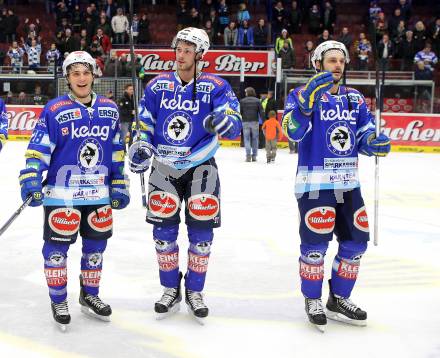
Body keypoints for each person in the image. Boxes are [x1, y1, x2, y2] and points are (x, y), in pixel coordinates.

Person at [128, 28, 242, 322]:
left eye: (188, 50)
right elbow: (145, 123)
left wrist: (225, 121)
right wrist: (140, 145)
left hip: (202, 166)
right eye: (178, 49)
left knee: (201, 237)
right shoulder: (157, 86)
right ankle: (170, 289)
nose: (181, 56)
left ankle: (194, 290)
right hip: (163, 168)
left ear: (201, 54)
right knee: (163, 236)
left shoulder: (217, 85)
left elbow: (234, 120)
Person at [281, 40, 391, 330]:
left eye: (341, 61)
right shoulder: (299, 94)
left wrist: (373, 143)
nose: (337, 65)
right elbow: (292, 131)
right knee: (315, 246)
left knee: (356, 242)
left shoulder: (355, 98)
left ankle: (339, 298)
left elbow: (364, 134)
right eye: (331, 60)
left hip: (348, 184)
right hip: (314, 185)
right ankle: (313, 298)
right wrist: (304, 107)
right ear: (318, 64)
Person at [18, 51, 129, 331]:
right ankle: (58, 300)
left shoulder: (109, 109)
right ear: (67, 78)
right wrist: (31, 177)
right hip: (61, 193)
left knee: (95, 250)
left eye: (86, 72)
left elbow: (117, 149)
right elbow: (39, 148)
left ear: (94, 75)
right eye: (75, 73)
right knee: (56, 251)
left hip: (98, 194)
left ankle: (90, 295)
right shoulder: (54, 109)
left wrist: (118, 181)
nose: (81, 78)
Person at [240, 87, 264, 162]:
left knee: (246, 139)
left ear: (247, 92)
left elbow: (240, 112)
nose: (245, 93)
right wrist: (264, 121)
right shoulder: (257, 101)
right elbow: (261, 112)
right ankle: (254, 156)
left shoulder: (242, 101)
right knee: (255, 139)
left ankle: (248, 156)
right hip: (255, 122)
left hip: (245, 121)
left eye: (246, 92)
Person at [118, 83, 135, 151]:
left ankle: (130, 150)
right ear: (126, 90)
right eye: (130, 89)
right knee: (125, 136)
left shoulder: (133, 98)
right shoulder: (122, 99)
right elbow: (121, 110)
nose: (132, 90)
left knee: (131, 136)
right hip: (124, 120)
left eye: (132, 89)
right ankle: (124, 151)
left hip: (131, 120)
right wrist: (131, 112)